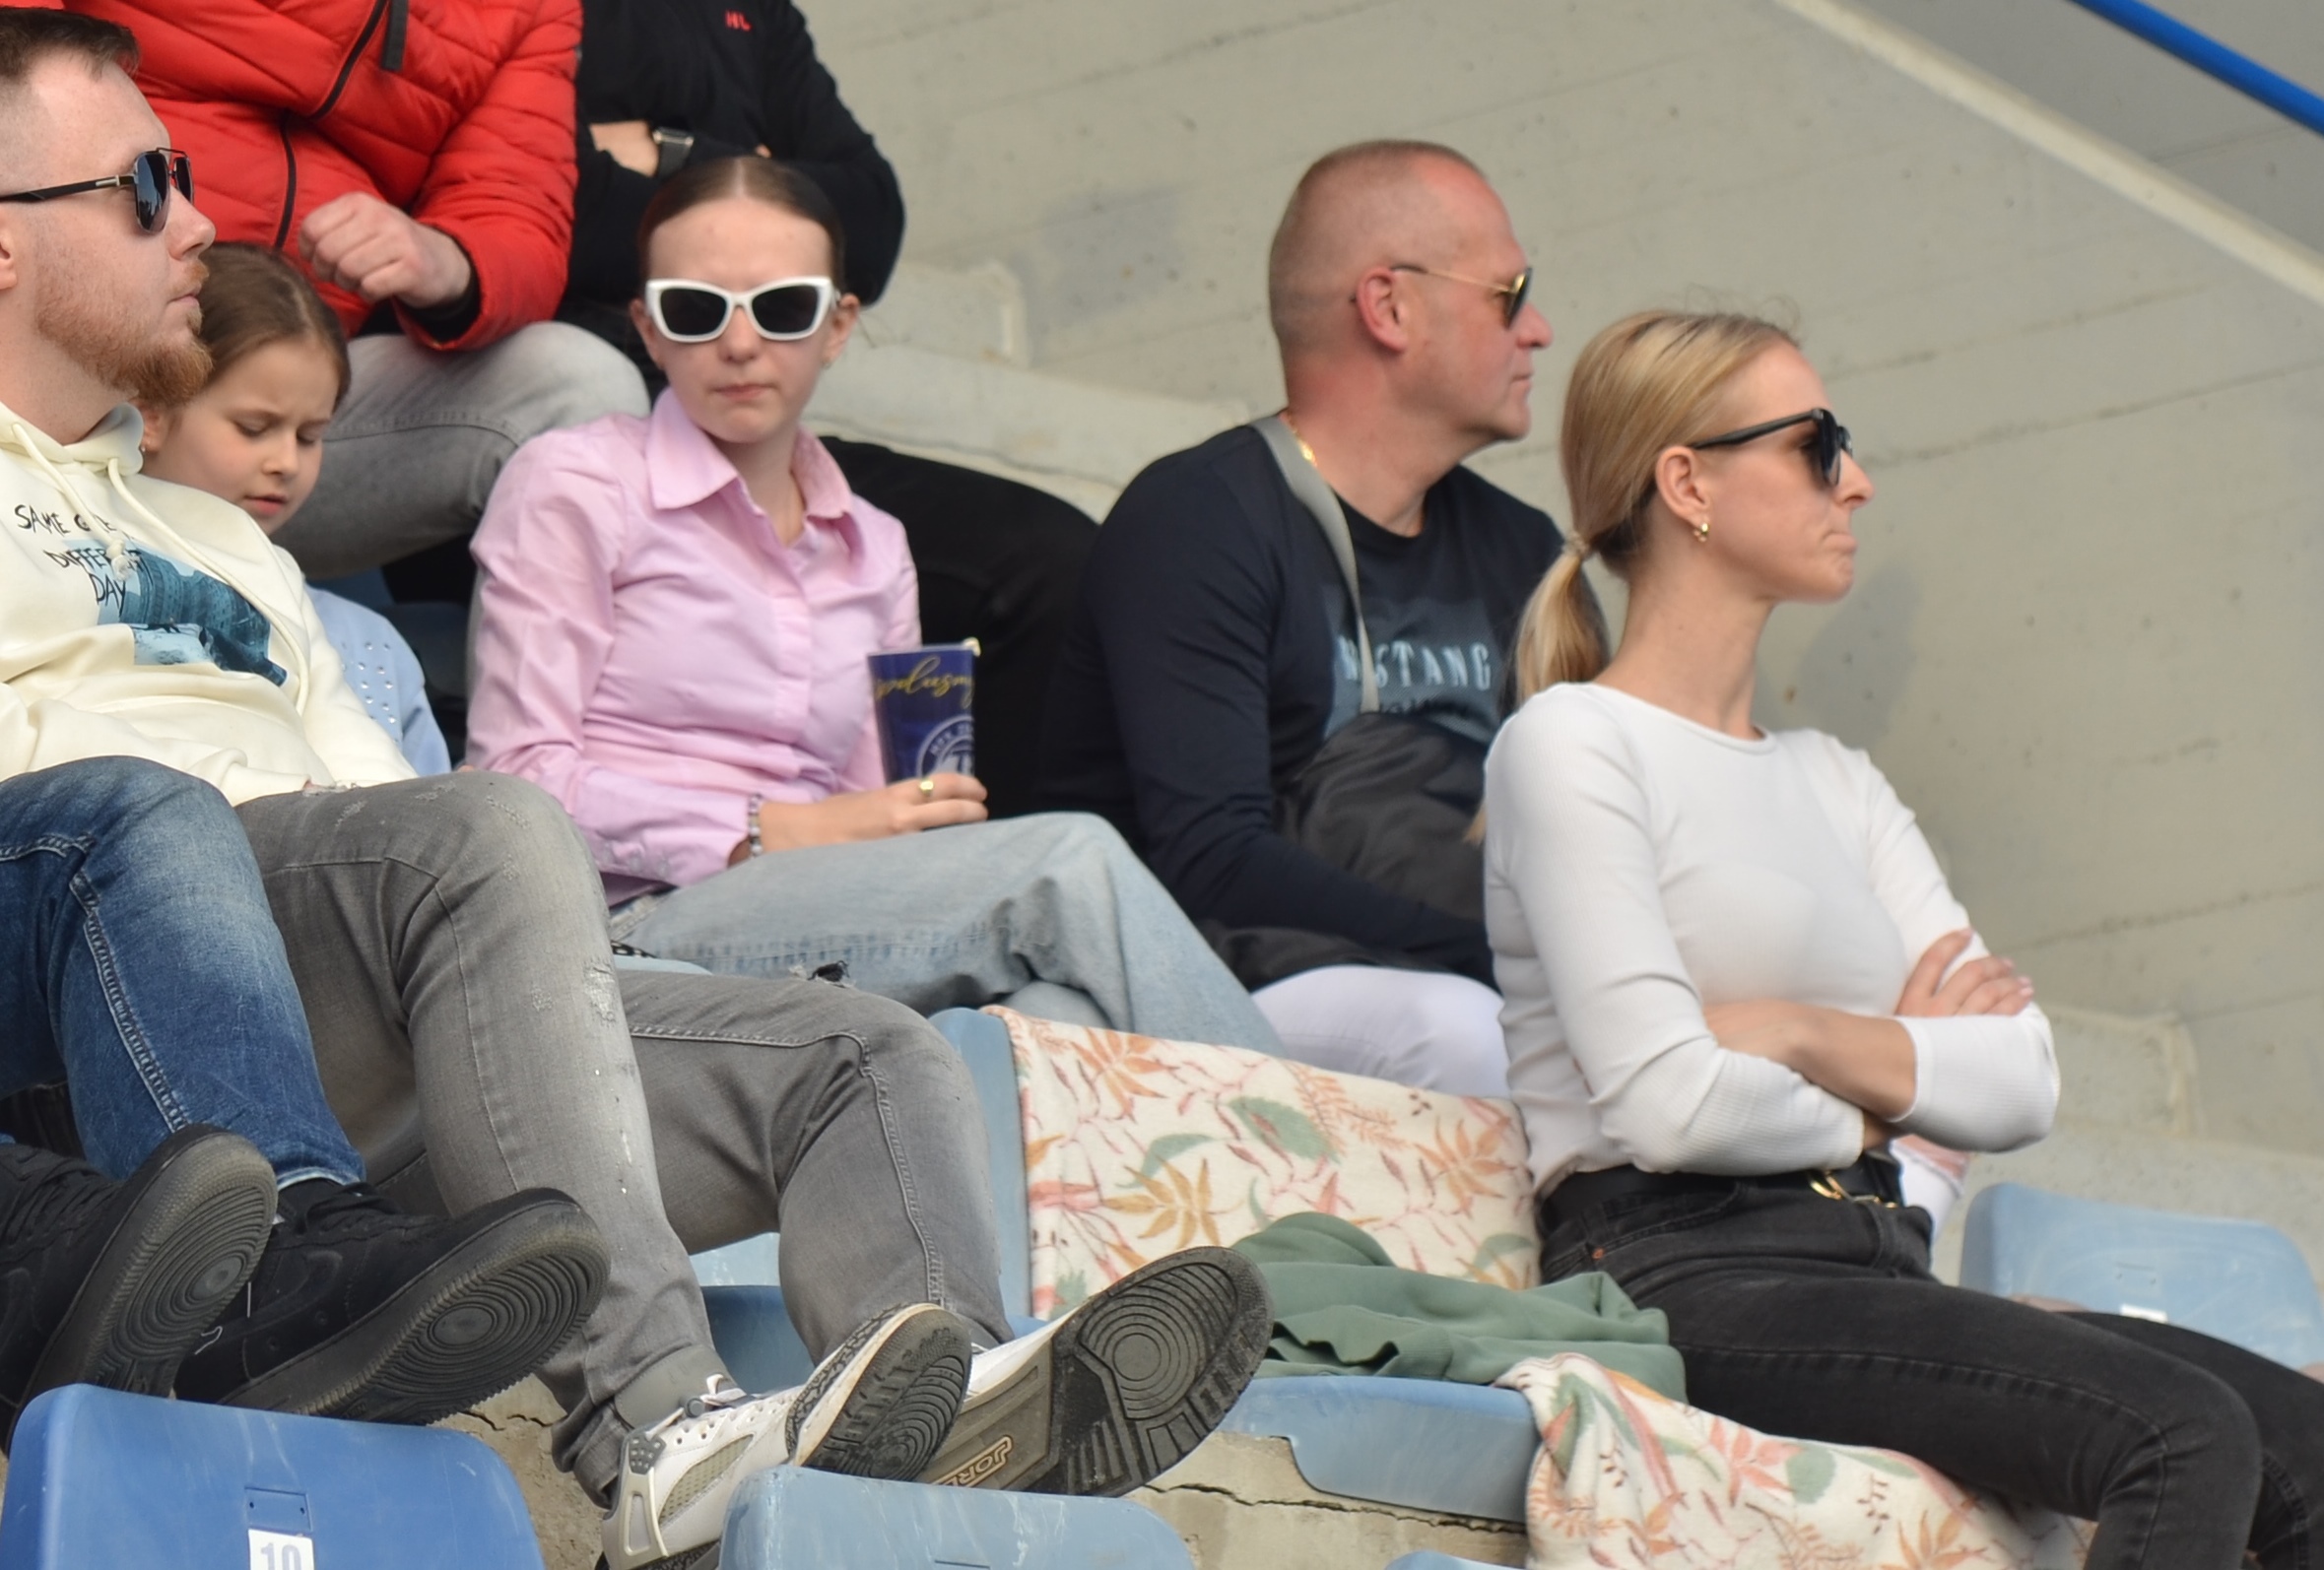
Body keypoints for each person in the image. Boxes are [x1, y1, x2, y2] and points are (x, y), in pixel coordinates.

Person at [0, 18, 1267, 1564]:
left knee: (858, 1059)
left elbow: (381, 822)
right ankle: (659, 1424)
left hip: (343, 1007)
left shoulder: (221, 542)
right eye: (146, 185)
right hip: (105, 1016)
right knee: (483, 827)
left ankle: (939, 1446)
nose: (200, 220)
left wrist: (562, 1000)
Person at [1488, 307, 2324, 1569]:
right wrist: (1896, 1094)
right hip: (1687, 1271)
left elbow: (2022, 1076)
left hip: (1871, 1259)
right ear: (1687, 484)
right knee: (2183, 1431)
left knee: (2304, 1444)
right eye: (1817, 444)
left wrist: (1796, 1032)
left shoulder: (1837, 777)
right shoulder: (1569, 744)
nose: (1858, 481)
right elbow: (1668, 1107)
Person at [467, 156, 1281, 1053]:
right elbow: (514, 781)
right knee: (1068, 861)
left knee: (1057, 1019)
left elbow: (871, 812)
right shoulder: (576, 482)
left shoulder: (876, 545)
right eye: (696, 310)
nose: (739, 343)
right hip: (628, 920)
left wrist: (904, 825)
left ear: (837, 326)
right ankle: (1308, 1133)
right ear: (649, 332)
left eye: (781, 307)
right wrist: (765, 832)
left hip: (814, 912)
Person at [1038, 141, 1562, 1098]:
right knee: (1465, 1034)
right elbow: (1212, 861)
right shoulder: (1201, 518)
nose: (1539, 330)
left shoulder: (1522, 548)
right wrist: (1508, 961)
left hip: (1467, 959)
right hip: (1218, 979)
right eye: (1509, 293)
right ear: (1388, 307)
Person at [561, 0, 1096, 819]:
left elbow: (871, 222)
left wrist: (674, 155)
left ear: (836, 325)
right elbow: (554, 214)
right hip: (567, 422)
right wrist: (760, 178)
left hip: (758, 448)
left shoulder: (754, 14)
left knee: (1052, 563)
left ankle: (998, 871)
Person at [0, 755, 608, 1440]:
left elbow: (367, 758)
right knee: (142, 810)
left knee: (513, 861)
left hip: (223, 870)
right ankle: (256, 1255)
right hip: (154, 855)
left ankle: (289, 1248)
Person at [49, 0, 648, 586]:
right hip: (75, 342)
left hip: (290, 396)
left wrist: (446, 259)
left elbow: (513, 206)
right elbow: (25, 72)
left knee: (580, 387)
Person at [141, 241, 447, 771]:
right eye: (254, 428)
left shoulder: (368, 642)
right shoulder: (90, 595)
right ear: (150, 412)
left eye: (309, 436)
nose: (286, 461)